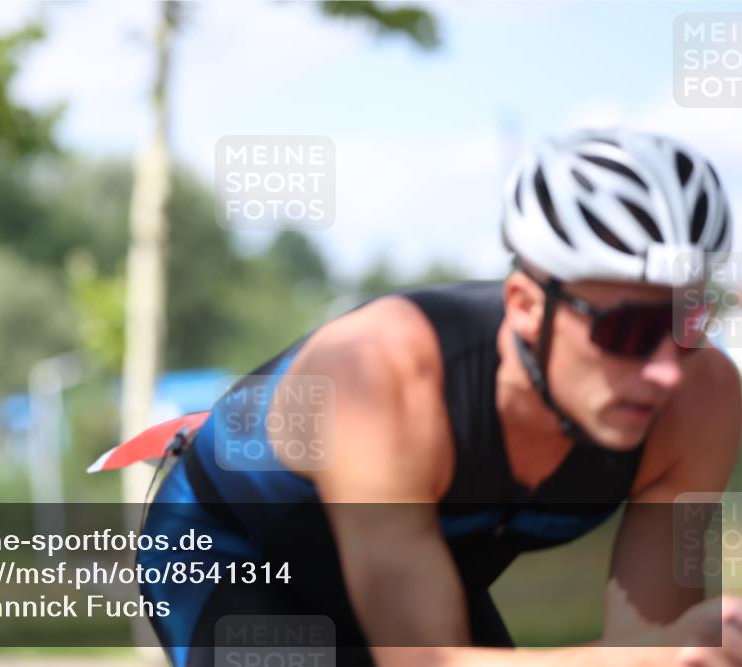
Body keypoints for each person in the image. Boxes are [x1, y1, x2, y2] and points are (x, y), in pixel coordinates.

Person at [105, 128, 739, 666]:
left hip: (414, 566)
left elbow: (655, 648)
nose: (664, 371)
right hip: (232, 550)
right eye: (626, 330)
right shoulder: (383, 372)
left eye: (688, 323)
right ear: (524, 307)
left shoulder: (703, 400)